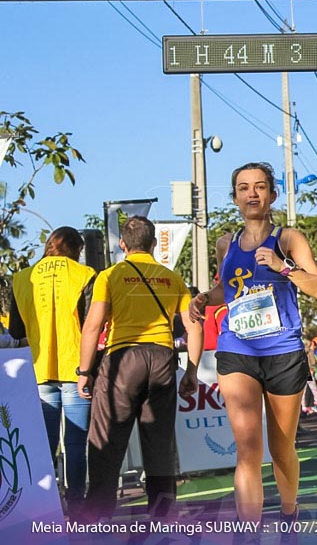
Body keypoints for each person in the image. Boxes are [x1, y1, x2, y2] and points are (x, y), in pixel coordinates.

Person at [187, 162, 317, 527]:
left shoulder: (288, 239)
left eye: (260, 187)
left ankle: (288, 513)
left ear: (271, 195)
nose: (252, 193)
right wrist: (204, 299)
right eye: (244, 187)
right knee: (248, 450)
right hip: (238, 350)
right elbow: (226, 290)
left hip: (282, 352)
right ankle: (248, 533)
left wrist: (283, 267)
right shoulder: (225, 244)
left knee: (281, 449)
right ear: (234, 197)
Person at [76, 216, 203, 520]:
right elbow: (194, 327)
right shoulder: (172, 278)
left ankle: (98, 517)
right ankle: (162, 517)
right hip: (162, 358)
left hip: (123, 359)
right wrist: (192, 372)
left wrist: (84, 373)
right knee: (158, 443)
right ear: (153, 244)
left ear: (122, 244)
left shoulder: (110, 275)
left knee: (106, 440)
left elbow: (93, 327)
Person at [8, 227, 96, 516]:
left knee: (44, 445)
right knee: (75, 443)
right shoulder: (85, 275)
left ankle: (44, 503)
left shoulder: (21, 279)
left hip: (37, 370)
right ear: (76, 249)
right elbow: (89, 325)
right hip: (76, 370)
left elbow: (16, 333)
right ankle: (77, 504)